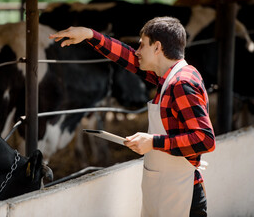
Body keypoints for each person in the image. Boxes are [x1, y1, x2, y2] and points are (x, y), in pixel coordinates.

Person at [49, 16, 215, 217]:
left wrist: (153, 142)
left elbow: (205, 139)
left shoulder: (181, 84)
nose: (137, 51)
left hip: (183, 194)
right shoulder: (169, 77)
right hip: (168, 187)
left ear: (157, 48)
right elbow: (127, 57)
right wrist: (90, 35)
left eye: (142, 45)